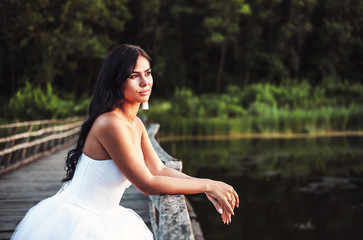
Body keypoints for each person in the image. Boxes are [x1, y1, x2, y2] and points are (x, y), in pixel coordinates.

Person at [11, 44, 239, 240]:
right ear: (117, 81)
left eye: (147, 73)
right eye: (133, 76)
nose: (144, 82)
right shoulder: (110, 123)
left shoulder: (135, 123)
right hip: (78, 221)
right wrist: (208, 186)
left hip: (110, 216)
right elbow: (146, 183)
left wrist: (205, 183)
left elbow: (158, 169)